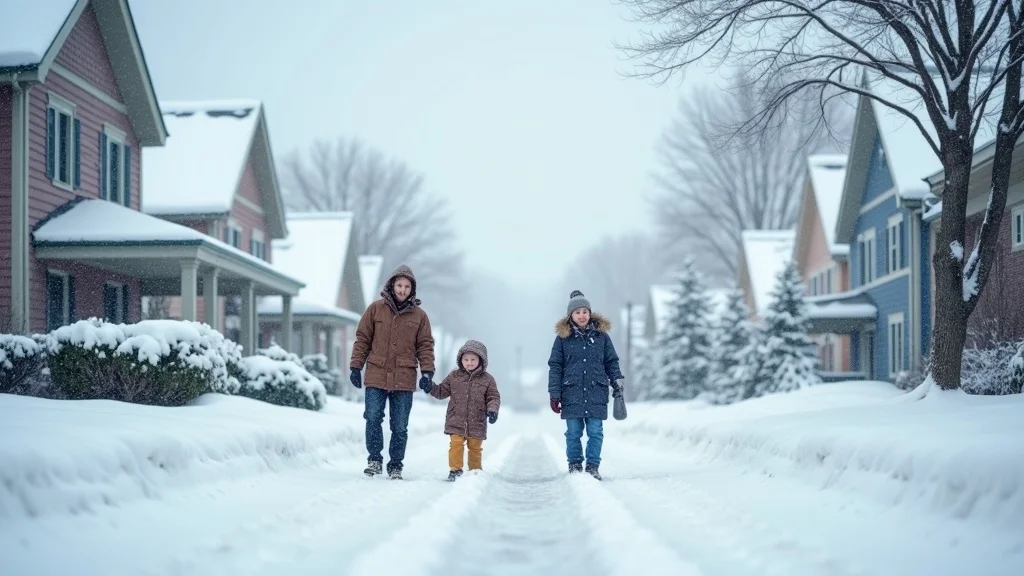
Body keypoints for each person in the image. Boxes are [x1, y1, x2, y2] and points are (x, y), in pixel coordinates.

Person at [349, 264, 435, 480]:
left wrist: (427, 372)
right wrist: (355, 366)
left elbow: (425, 345)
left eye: (407, 286)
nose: (402, 290)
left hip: (404, 378)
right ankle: (375, 460)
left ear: (412, 289)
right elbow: (362, 339)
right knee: (372, 417)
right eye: (399, 285)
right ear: (392, 285)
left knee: (399, 426)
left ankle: (395, 464)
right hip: (376, 374)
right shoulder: (375, 309)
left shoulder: (420, 316)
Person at [547, 290, 624, 480]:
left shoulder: (602, 338)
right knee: (573, 433)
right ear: (570, 315)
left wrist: (617, 381)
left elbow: (611, 362)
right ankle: (574, 464)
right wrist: (554, 393)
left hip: (596, 391)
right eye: (577, 312)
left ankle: (592, 466)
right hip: (571, 392)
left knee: (596, 432)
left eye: (585, 311)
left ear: (590, 313)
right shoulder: (562, 339)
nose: (582, 315)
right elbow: (555, 367)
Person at [420, 340, 501, 481]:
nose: (469, 362)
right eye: (466, 359)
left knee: (475, 448)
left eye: (473, 359)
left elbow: (493, 397)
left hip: (477, 421)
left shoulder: (488, 380)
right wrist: (430, 387)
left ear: (481, 360)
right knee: (456, 444)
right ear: (460, 360)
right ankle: (455, 470)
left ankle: (475, 471)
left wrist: (492, 410)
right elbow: (441, 392)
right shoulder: (454, 376)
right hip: (456, 418)